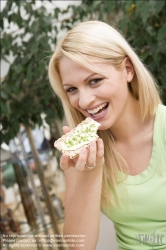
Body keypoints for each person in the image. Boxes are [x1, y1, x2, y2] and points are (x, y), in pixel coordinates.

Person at [48, 21, 166, 250]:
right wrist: (91, 171)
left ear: (128, 70)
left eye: (95, 81)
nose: (83, 101)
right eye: (72, 89)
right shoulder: (80, 153)